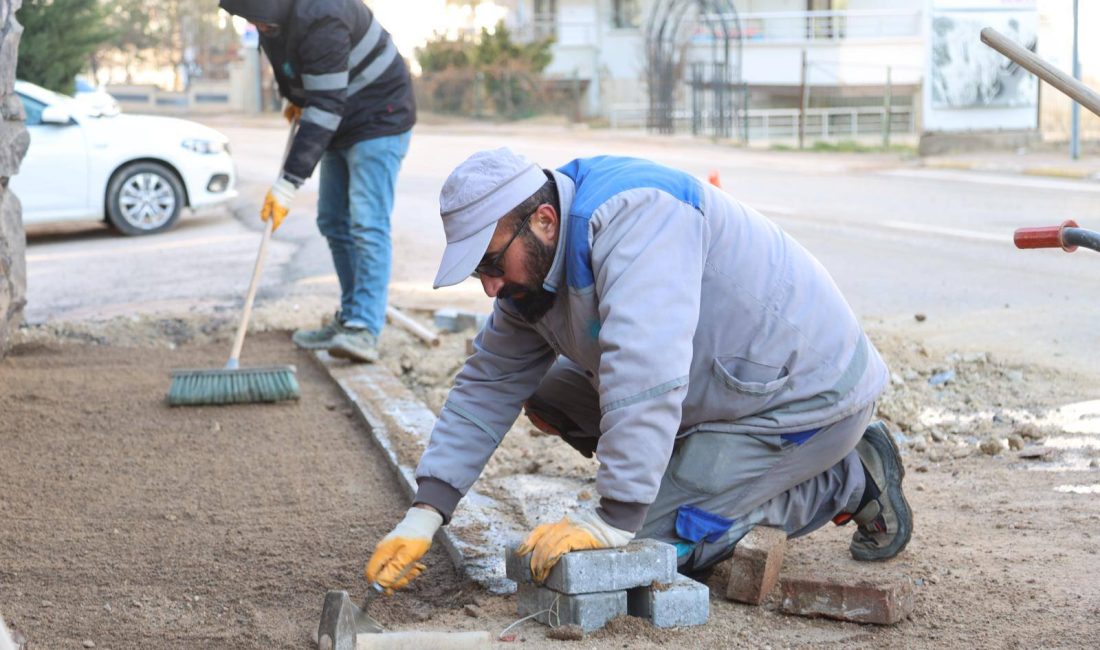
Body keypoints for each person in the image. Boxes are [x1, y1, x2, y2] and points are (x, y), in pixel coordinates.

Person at [366, 149, 913, 591]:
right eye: (476, 272)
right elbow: (487, 384)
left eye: (490, 262)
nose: (488, 286)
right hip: (717, 383)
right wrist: (427, 511)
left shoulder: (637, 216)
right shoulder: (530, 272)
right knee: (548, 392)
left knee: (651, 546)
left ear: (544, 220)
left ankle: (848, 477)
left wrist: (614, 518)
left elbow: (644, 372)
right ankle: (693, 475)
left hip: (805, 397)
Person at [219, 0, 415, 363]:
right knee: (331, 220)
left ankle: (364, 329)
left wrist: (287, 183)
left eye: (258, 19)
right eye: (250, 21)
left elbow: (326, 106)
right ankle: (350, 316)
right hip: (340, 115)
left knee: (367, 223)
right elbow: (292, 68)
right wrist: (295, 98)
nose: (256, 27)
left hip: (379, 116)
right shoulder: (272, 20)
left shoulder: (324, 12)